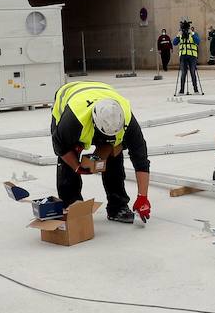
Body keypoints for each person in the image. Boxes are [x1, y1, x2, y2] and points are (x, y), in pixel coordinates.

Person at [49, 80, 151, 223]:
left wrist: (142, 197)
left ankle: (118, 206)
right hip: (70, 96)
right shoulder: (73, 121)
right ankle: (72, 205)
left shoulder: (127, 120)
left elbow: (141, 160)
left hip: (102, 91)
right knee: (68, 156)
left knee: (114, 153)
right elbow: (60, 146)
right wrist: (76, 166)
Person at [175, 20, 201, 95]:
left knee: (193, 72)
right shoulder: (180, 34)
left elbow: (198, 41)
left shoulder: (193, 34)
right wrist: (178, 35)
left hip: (192, 56)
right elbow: (174, 43)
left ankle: (196, 90)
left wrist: (192, 33)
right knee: (183, 73)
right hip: (183, 56)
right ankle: (181, 90)